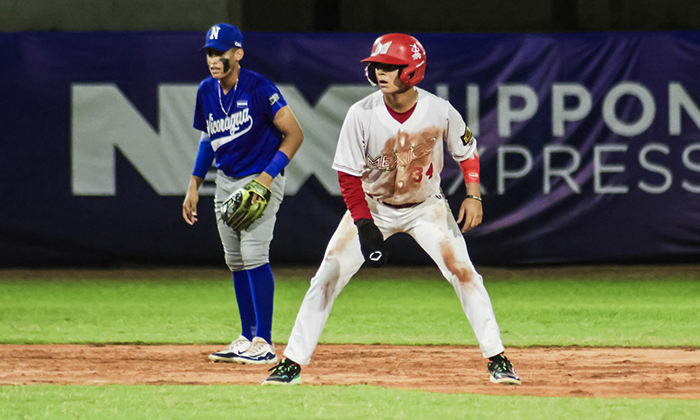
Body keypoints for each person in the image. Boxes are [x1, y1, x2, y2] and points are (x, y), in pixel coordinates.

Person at [262, 33, 520, 385]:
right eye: (377, 66)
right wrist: (364, 224)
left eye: (390, 66)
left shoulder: (439, 110)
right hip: (372, 204)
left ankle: (498, 358)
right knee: (328, 274)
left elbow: (467, 150)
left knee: (464, 272)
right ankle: (292, 362)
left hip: (426, 207)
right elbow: (348, 177)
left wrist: (473, 194)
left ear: (412, 71)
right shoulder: (361, 114)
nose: (380, 72)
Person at [182, 23, 304, 365]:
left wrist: (266, 178)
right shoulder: (206, 91)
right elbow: (208, 140)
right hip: (225, 181)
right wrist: (194, 183)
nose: (213, 58)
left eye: (220, 52)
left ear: (238, 53)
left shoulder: (259, 88)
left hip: (260, 180)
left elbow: (294, 135)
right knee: (234, 261)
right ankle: (247, 336)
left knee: (254, 255)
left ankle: (264, 342)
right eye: (209, 52)